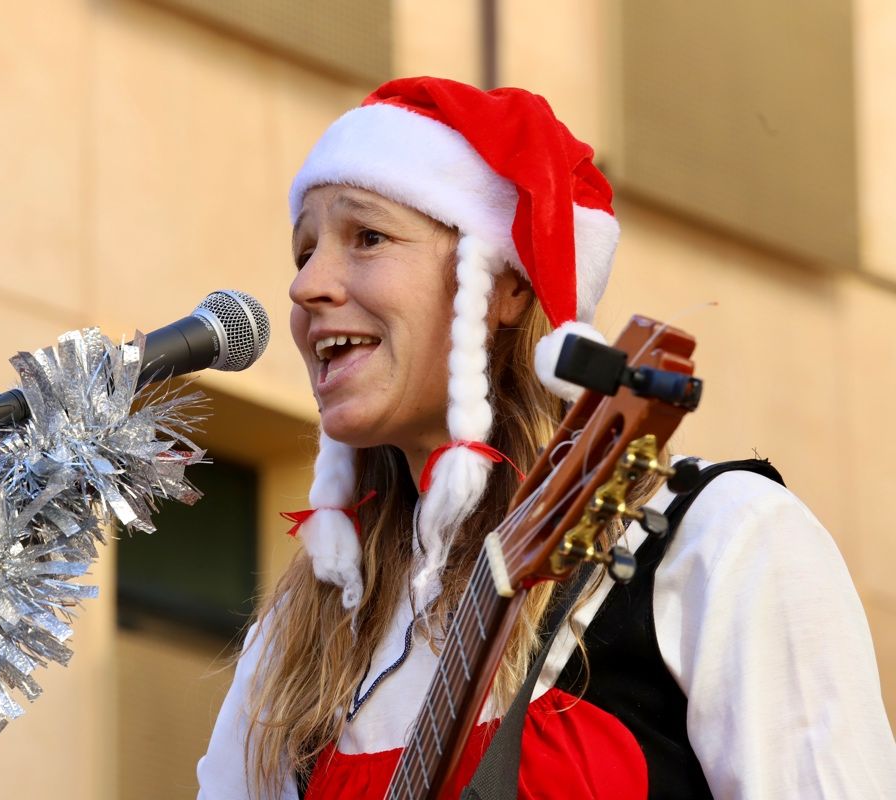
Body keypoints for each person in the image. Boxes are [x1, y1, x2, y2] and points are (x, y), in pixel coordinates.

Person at [196, 76, 896, 799]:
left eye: (367, 237)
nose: (307, 285)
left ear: (508, 287)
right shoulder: (296, 644)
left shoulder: (721, 541)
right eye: (304, 252)